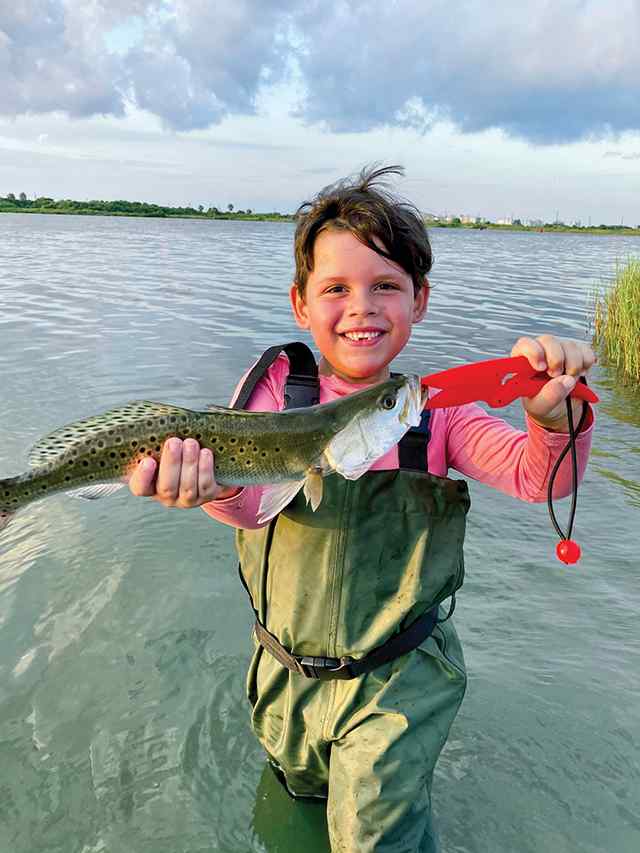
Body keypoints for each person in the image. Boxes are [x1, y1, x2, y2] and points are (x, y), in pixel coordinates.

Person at [129, 165, 596, 852]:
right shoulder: (274, 391)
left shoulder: (435, 411)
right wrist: (208, 488)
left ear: (419, 300)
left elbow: (539, 479)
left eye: (386, 286)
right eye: (336, 288)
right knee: (299, 801)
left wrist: (553, 419)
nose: (362, 308)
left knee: (378, 836)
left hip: (397, 682)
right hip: (284, 672)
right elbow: (251, 508)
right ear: (300, 303)